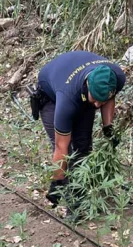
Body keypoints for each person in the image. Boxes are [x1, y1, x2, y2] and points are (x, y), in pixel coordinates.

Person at [32, 51, 126, 208]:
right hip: (51, 97)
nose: (97, 106)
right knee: (67, 151)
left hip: (79, 89)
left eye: (101, 101)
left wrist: (108, 127)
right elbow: (61, 147)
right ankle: (71, 201)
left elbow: (108, 98)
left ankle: (79, 197)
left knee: (83, 147)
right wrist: (58, 181)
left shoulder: (116, 77)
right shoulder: (67, 99)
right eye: (95, 99)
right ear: (87, 85)